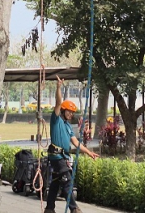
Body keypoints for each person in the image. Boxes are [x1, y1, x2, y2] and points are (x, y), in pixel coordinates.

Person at [44, 76, 99, 213]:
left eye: (72, 113)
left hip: (63, 157)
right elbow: (58, 102)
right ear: (63, 110)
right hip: (56, 157)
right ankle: (74, 209)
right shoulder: (56, 120)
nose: (71, 114)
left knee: (56, 183)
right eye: (69, 111)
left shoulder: (68, 126)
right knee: (67, 180)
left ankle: (49, 208)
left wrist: (89, 152)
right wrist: (58, 88)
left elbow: (75, 143)